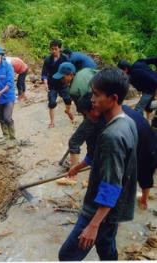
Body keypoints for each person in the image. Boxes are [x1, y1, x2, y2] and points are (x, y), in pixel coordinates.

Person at [59, 67, 138, 261]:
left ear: (112, 98)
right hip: (115, 209)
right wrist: (78, 166)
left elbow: (111, 185)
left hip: (99, 209)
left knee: (67, 256)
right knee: (107, 250)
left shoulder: (112, 136)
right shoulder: (128, 122)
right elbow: (112, 164)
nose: (91, 99)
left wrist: (93, 225)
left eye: (96, 94)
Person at [69, 92, 157, 210]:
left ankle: (139, 201)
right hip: (146, 142)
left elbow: (95, 154)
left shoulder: (108, 124)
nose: (88, 118)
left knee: (136, 177)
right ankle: (138, 202)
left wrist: (76, 167)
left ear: (94, 108)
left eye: (86, 114)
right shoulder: (115, 109)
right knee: (142, 175)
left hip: (145, 148)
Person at [52, 62, 99, 166]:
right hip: (107, 107)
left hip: (96, 115)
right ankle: (94, 164)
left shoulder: (74, 90)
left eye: (63, 77)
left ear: (71, 75)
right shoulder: (84, 71)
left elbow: (85, 109)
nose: (61, 80)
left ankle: (72, 175)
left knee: (74, 142)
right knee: (93, 140)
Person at [41, 39, 72, 128]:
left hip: (63, 83)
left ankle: (68, 111)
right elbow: (44, 73)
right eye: (52, 49)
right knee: (51, 102)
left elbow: (69, 71)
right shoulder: (48, 59)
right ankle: (52, 122)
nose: (53, 51)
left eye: (55, 49)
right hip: (52, 84)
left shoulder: (65, 58)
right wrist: (46, 84)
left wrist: (69, 81)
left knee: (68, 99)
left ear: (60, 49)